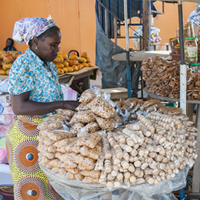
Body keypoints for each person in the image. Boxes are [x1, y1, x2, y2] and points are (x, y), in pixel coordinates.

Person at [6, 16, 80, 199]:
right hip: (28, 137)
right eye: (53, 45)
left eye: (58, 46)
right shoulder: (24, 65)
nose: (56, 50)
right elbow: (19, 107)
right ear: (36, 41)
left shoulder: (49, 66)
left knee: (53, 190)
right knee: (34, 191)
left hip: (47, 135)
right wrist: (63, 104)